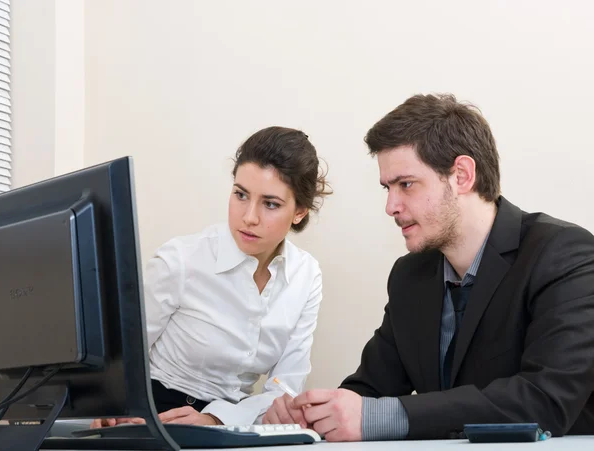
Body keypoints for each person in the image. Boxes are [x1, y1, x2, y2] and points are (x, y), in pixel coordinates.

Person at [264, 94, 594, 441]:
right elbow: (369, 392)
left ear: (462, 176)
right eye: (387, 188)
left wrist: (376, 416)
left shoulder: (564, 255)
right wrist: (312, 413)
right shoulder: (410, 276)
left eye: (406, 184)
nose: (391, 206)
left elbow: (545, 400)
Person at [92, 126, 331, 428]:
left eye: (270, 204)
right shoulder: (181, 259)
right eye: (241, 195)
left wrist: (215, 419)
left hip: (229, 423)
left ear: (299, 212)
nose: (249, 217)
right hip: (152, 412)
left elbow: (284, 390)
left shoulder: (306, 276)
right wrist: (110, 409)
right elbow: (118, 361)